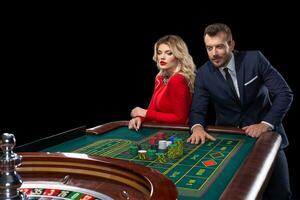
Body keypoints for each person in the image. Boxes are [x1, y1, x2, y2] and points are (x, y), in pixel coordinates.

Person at [188, 23, 293, 199]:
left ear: (231, 44)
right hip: (229, 141)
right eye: (209, 48)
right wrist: (197, 126)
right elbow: (197, 109)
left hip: (266, 138)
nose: (214, 53)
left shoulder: (254, 59)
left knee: (280, 194)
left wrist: (265, 124)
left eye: (220, 46)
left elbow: (284, 93)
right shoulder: (203, 74)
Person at [128, 35, 196, 131]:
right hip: (160, 130)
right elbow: (152, 109)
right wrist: (139, 118)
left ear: (178, 56)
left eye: (169, 53)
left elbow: (180, 119)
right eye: (159, 53)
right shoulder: (160, 78)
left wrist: (145, 113)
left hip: (176, 134)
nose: (162, 57)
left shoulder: (178, 79)